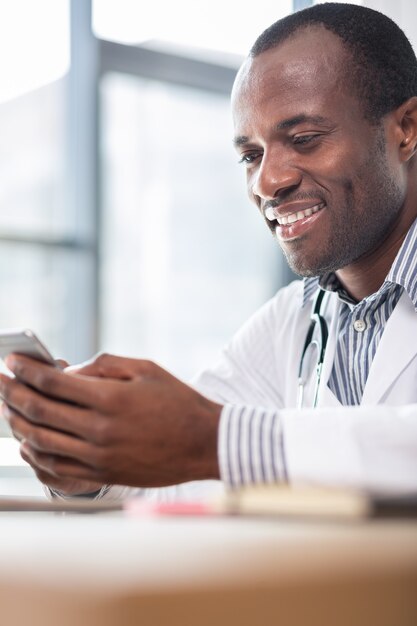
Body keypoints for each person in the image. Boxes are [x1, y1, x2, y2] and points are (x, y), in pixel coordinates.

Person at [1, 2, 417, 500]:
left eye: (304, 139)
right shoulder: (294, 320)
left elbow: (216, 441)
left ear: (406, 129)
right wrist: (92, 466)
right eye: (250, 155)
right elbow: (181, 467)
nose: (267, 183)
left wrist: (212, 438)